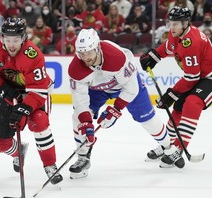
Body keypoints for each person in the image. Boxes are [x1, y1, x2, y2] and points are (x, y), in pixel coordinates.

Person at [67, 28, 176, 179]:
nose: (86, 57)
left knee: (147, 119)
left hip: (126, 85)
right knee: (77, 119)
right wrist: (86, 123)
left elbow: (131, 89)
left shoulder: (115, 57)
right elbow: (79, 99)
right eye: (82, 53)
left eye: (89, 52)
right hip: (97, 89)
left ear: (97, 47)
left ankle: (168, 147)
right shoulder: (75, 68)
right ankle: (83, 157)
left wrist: (115, 110)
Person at [140, 6, 212, 168]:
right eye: (170, 23)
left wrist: (172, 93)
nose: (172, 27)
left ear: (185, 23)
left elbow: (191, 77)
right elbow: (167, 48)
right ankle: (167, 146)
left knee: (192, 102)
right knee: (179, 107)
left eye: (175, 24)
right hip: (199, 76)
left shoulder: (192, 42)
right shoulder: (177, 32)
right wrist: (153, 56)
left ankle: (179, 147)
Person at [0, 17, 63, 184]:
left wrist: (25, 108)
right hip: (9, 94)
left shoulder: (33, 55)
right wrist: (3, 89)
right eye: (7, 39)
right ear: (1, 37)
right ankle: (19, 151)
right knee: (0, 144)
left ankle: (50, 165)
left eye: (16, 40)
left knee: (39, 122)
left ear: (24, 38)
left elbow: (39, 90)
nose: (11, 44)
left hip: (34, 94)